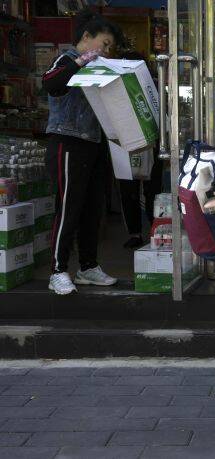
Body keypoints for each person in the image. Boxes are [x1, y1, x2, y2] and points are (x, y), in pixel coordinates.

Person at [43, 10, 124, 295]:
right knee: (68, 207)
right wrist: (80, 62)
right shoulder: (66, 59)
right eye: (103, 43)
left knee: (92, 209)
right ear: (86, 37)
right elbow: (50, 83)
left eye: (109, 47)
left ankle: (88, 266)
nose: (105, 50)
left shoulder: (99, 67)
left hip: (94, 143)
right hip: (68, 141)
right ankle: (57, 270)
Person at [116, 51, 163, 250]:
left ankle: (153, 230)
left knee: (149, 191)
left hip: (151, 142)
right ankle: (137, 232)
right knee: (131, 191)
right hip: (127, 142)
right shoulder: (116, 85)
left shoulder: (154, 85)